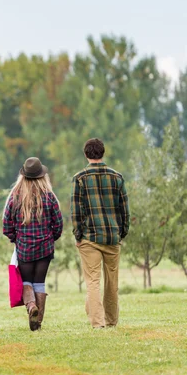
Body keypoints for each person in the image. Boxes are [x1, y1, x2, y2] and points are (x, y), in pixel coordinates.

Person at [71, 138, 130, 329]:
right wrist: (122, 232)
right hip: (113, 237)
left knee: (93, 281)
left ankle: (98, 324)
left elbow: (76, 211)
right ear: (103, 153)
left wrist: (78, 235)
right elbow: (125, 209)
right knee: (112, 282)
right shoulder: (117, 177)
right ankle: (111, 321)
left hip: (90, 238)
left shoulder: (79, 178)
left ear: (86, 154)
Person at [3, 157, 63, 331]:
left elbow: (6, 225)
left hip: (24, 247)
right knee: (40, 283)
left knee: (27, 281)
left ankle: (31, 307)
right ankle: (38, 321)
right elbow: (58, 223)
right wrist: (52, 238)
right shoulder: (49, 196)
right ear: (42, 176)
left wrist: (16, 238)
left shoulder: (15, 197)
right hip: (45, 247)